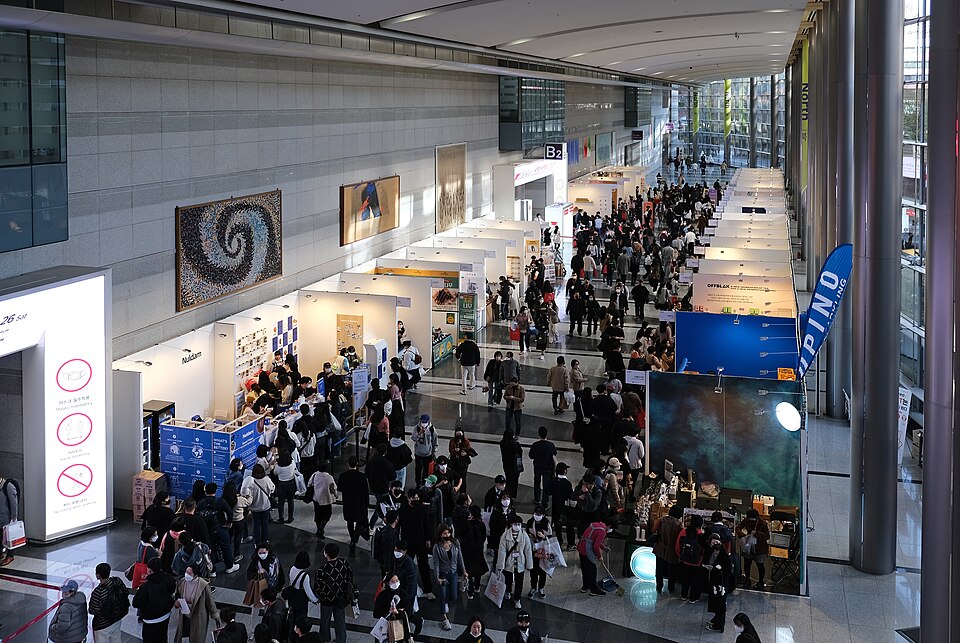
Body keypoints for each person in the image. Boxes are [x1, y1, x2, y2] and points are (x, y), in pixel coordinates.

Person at [313, 543, 356, 643]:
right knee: (340, 620)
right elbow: (350, 578)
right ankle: (341, 640)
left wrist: (322, 597)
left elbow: (317, 586)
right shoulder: (344, 564)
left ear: (326, 554)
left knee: (325, 620)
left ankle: (324, 638)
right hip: (341, 598)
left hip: (327, 600)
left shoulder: (322, 570)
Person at [197, 482, 239, 573]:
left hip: (206, 530)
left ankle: (212, 570)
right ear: (215, 491)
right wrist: (229, 522)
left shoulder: (201, 503)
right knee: (226, 547)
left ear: (205, 491)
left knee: (210, 549)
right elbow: (229, 512)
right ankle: (229, 566)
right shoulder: (220, 501)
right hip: (220, 527)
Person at [431, 524, 467, 630]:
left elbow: (460, 557)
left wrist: (464, 570)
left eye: (448, 533)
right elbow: (436, 563)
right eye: (444, 533)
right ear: (440, 535)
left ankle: (446, 603)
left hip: (453, 572)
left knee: (454, 596)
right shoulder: (437, 547)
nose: (447, 535)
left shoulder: (455, 543)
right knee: (442, 595)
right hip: (443, 574)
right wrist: (436, 576)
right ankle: (445, 618)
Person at [174, 564, 221, 643]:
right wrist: (176, 603)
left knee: (196, 637)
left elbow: (210, 602)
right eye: (186, 572)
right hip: (185, 615)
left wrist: (215, 615)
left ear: (195, 575)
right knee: (183, 632)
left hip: (198, 616)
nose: (187, 574)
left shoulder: (203, 585)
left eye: (189, 573)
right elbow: (177, 595)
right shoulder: (182, 582)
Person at [134, 558, 176, 643]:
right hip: (166, 615)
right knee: (163, 637)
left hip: (150, 620)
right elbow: (172, 590)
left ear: (149, 570)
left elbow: (136, 603)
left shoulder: (145, 587)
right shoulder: (169, 578)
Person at [496, 513, 533, 610]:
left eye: (519, 524)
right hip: (509, 563)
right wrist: (501, 565)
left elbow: (528, 551)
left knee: (519, 583)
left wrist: (529, 565)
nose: (517, 526)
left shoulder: (524, 536)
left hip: (520, 564)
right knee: (508, 580)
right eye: (515, 524)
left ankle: (517, 599)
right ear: (511, 524)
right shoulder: (505, 536)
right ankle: (508, 591)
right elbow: (502, 552)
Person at [337, 456, 370, 556]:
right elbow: (365, 491)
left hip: (348, 502)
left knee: (350, 521)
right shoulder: (362, 476)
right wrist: (367, 503)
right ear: (356, 464)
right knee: (360, 522)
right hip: (359, 503)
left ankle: (352, 538)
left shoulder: (342, 476)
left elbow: (340, 489)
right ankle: (354, 540)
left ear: (347, 464)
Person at [89, 563, 129, 643]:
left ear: (98, 575)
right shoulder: (117, 581)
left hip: (102, 625)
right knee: (116, 639)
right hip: (117, 619)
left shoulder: (98, 592)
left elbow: (92, 610)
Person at [578, 516, 614, 596]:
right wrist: (599, 556)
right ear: (610, 526)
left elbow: (594, 540)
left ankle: (585, 586)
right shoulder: (602, 532)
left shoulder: (595, 525)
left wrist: (604, 548)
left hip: (581, 548)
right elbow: (595, 546)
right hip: (587, 551)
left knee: (585, 569)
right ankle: (593, 590)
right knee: (592, 570)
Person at [652, 504, 683, 594]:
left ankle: (659, 586)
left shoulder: (662, 520)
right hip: (672, 550)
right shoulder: (679, 525)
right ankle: (671, 588)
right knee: (672, 570)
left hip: (660, 547)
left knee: (659, 569)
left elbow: (653, 530)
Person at [704, 533, 733, 633]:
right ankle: (716, 619)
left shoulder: (724, 558)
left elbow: (727, 570)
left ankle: (719, 625)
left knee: (720, 605)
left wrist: (715, 569)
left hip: (721, 585)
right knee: (716, 603)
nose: (715, 553)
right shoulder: (713, 553)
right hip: (715, 584)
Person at [736, 508, 770, 590]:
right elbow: (738, 528)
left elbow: (767, 536)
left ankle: (761, 581)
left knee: (760, 565)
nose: (751, 521)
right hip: (748, 545)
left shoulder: (763, 523)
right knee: (747, 564)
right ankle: (747, 579)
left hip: (760, 547)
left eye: (753, 519)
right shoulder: (746, 520)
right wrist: (742, 535)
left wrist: (757, 533)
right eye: (750, 519)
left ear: (757, 517)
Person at [241, 464, 275, 545]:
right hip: (265, 506)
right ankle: (265, 540)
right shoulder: (267, 480)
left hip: (254, 506)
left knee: (256, 524)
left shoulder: (250, 480)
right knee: (265, 524)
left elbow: (243, 492)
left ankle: (257, 542)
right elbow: (272, 489)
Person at [287, 552, 320, 634]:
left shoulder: (292, 569)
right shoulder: (304, 576)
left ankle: (292, 633)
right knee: (301, 619)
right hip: (301, 600)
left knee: (293, 617)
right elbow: (308, 591)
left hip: (292, 596)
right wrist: (315, 600)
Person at [460, 505, 489, 599]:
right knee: (478, 570)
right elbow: (484, 537)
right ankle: (477, 586)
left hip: (468, 551)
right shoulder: (481, 525)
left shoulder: (466, 524)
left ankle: (470, 591)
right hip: (478, 551)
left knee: (469, 571)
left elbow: (462, 536)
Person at [677, 514, 705, 602]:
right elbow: (703, 550)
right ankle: (693, 598)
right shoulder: (701, 535)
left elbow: (677, 546)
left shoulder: (683, 532)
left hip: (685, 561)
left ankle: (683, 595)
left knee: (685, 579)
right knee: (695, 581)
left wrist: (680, 556)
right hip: (697, 562)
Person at [526, 507, 552, 599]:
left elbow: (550, 537)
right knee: (533, 571)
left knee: (542, 571)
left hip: (543, 551)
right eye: (536, 514)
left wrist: (544, 536)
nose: (537, 516)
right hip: (533, 550)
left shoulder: (546, 523)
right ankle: (533, 587)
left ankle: (541, 588)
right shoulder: (530, 522)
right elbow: (526, 533)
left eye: (539, 514)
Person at [528, 426, 558, 506]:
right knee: (546, 485)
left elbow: (531, 456)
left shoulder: (535, 445)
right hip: (548, 469)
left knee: (536, 483)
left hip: (537, 468)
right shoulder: (551, 445)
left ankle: (537, 499)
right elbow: (554, 454)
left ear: (539, 435)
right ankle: (545, 502)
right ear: (547, 434)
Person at [307, 464, 337, 539]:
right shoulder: (329, 477)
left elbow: (309, 484)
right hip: (326, 499)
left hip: (316, 498)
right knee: (327, 515)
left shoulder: (314, 475)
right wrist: (336, 495)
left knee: (318, 515)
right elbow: (333, 488)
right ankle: (321, 528)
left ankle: (318, 529)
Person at [550, 463, 576, 549]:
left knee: (558, 526)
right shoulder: (567, 483)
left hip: (555, 506)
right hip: (565, 508)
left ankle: (559, 542)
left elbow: (547, 491)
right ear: (565, 471)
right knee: (569, 526)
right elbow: (570, 495)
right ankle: (570, 544)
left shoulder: (553, 481)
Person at [411, 414, 438, 486]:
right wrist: (419, 433)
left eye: (425, 422)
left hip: (428, 454)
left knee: (426, 470)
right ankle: (418, 483)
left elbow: (435, 442)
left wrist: (434, 452)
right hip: (418, 453)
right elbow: (413, 438)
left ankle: (424, 483)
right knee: (418, 470)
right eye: (422, 421)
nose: (424, 423)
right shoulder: (416, 428)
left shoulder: (432, 429)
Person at [500, 429, 523, 499]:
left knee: (508, 479)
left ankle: (507, 493)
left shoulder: (502, 443)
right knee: (515, 480)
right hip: (514, 464)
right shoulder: (515, 444)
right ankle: (512, 494)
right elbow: (520, 452)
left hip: (506, 464)